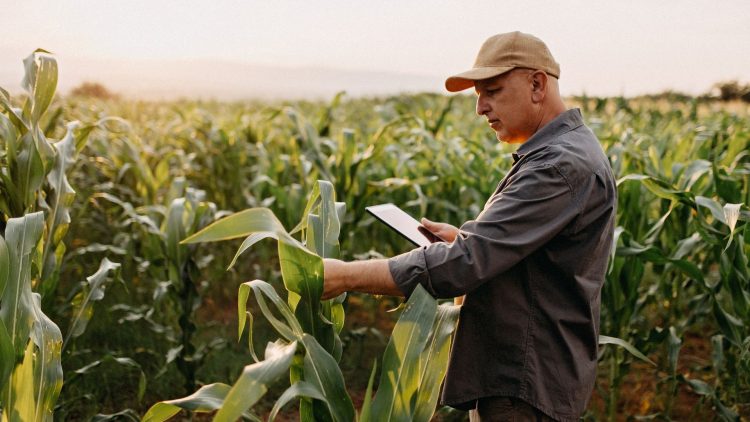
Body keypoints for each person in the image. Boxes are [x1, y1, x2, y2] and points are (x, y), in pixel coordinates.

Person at [323, 31, 616, 422]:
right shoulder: (562, 153)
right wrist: (467, 239)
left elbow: (463, 265)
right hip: (526, 375)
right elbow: (529, 257)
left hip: (522, 384)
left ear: (536, 84)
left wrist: (343, 276)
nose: (481, 107)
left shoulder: (557, 166)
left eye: (492, 90)